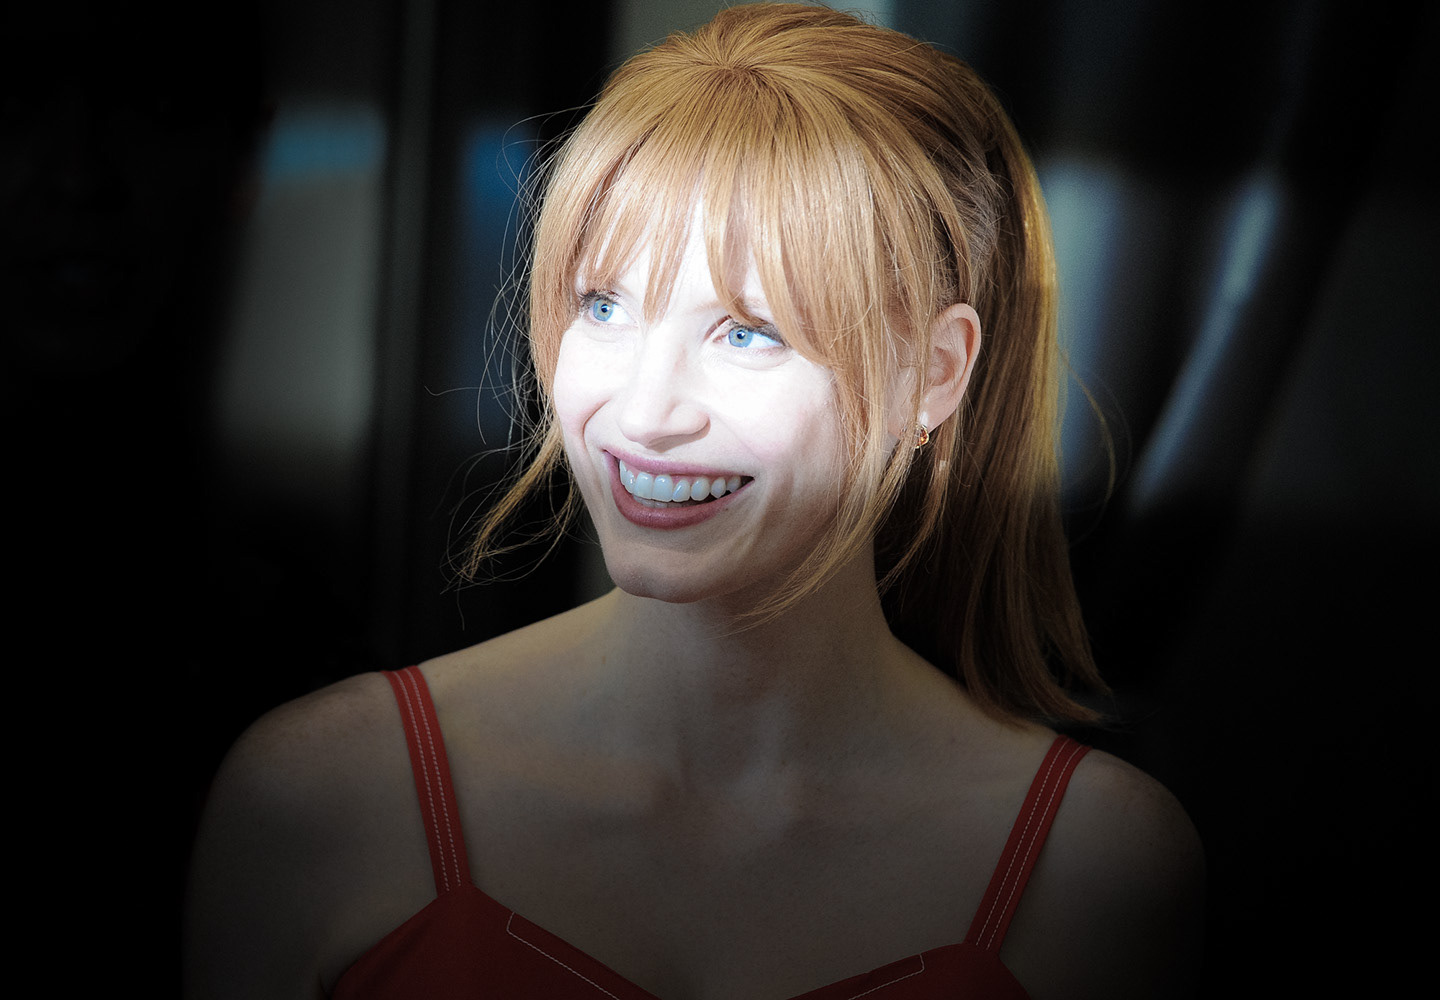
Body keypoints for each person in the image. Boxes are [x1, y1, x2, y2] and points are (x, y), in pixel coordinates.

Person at [184, 5, 1204, 998]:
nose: (644, 412)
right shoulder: (322, 798)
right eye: (603, 305)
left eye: (747, 332)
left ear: (932, 374)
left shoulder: (1099, 870)